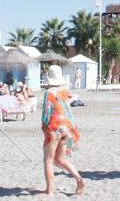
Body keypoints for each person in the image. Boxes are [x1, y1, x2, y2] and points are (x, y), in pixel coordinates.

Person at [40, 65, 85, 196]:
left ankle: (49, 190)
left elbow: (46, 113)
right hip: (66, 128)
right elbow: (68, 110)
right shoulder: (63, 91)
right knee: (60, 160)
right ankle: (79, 179)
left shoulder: (49, 93)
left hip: (54, 128)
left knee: (48, 160)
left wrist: (44, 128)